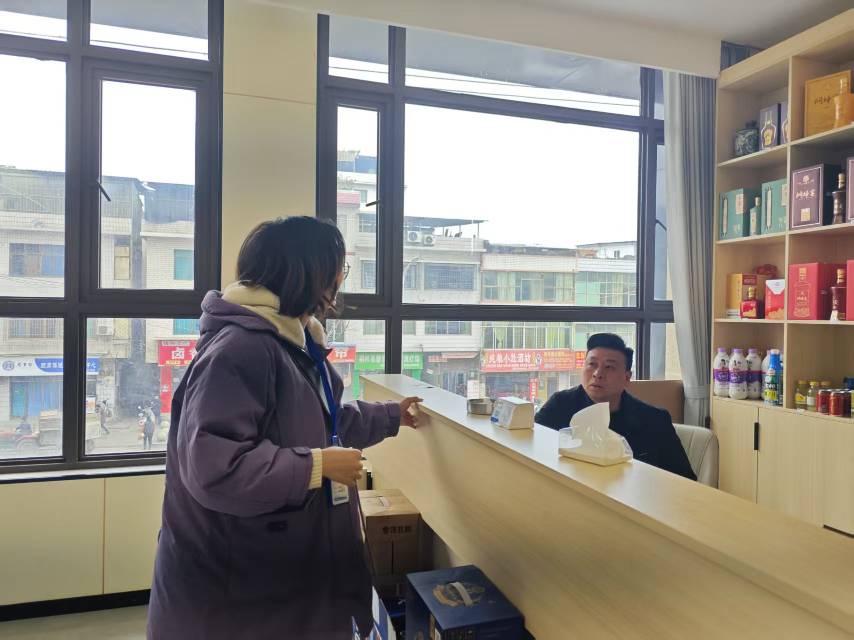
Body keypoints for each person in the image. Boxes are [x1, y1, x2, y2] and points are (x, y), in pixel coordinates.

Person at [147, 217, 422, 639]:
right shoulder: (241, 348)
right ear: (307, 272)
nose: (339, 281)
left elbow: (324, 422)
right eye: (337, 268)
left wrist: (390, 416)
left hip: (274, 584)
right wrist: (316, 466)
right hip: (237, 597)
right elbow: (216, 469)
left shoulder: (293, 339)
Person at [535, 333, 696, 480]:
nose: (598, 373)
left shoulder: (654, 421)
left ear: (627, 377)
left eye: (609, 367)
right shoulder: (559, 406)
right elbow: (532, 453)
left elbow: (685, 480)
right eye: (592, 364)